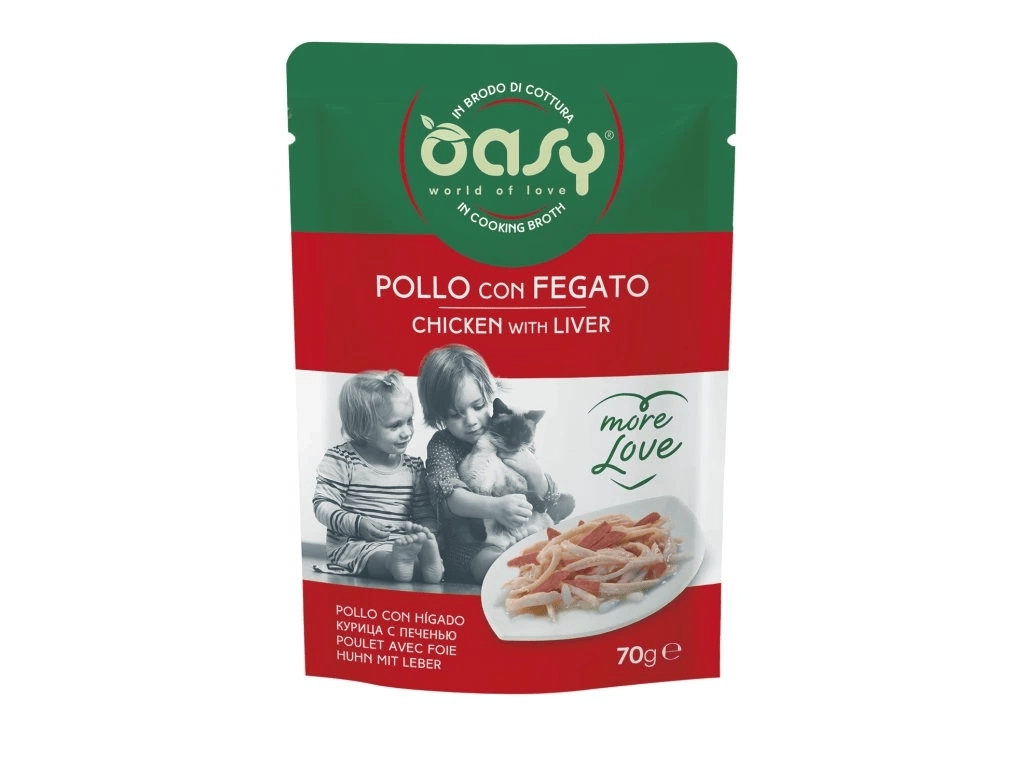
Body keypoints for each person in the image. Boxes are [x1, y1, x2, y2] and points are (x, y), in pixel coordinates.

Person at [418, 344, 571, 584]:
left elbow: (546, 498)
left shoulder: (510, 431)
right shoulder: (443, 444)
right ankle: (519, 572)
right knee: (492, 563)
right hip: (474, 542)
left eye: (478, 406)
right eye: (455, 414)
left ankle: (545, 564)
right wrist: (495, 507)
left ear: (490, 395)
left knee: (556, 541)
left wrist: (533, 471)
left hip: (522, 528)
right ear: (439, 415)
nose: (471, 421)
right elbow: (448, 496)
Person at [313, 370, 443, 583]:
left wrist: (428, 534)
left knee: (415, 558)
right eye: (395, 425)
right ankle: (395, 563)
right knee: (377, 558)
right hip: (356, 543)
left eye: (409, 421)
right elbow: (322, 505)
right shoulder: (342, 459)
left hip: (402, 544)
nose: (407, 432)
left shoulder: (413, 467)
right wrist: (357, 523)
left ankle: (426, 565)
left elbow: (424, 513)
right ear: (363, 427)